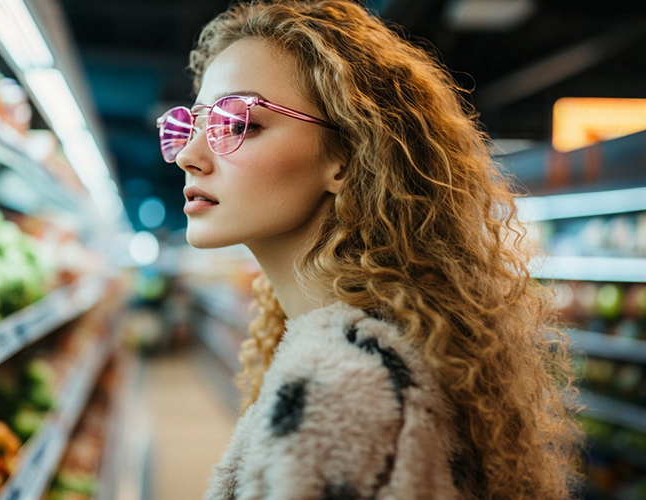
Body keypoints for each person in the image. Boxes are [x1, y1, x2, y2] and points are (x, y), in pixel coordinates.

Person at [155, 1, 582, 499]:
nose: (188, 155)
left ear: (345, 157)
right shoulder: (384, 351)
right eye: (192, 125)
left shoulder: (340, 392)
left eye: (238, 123)